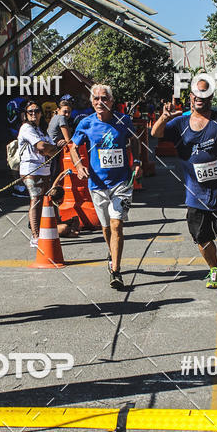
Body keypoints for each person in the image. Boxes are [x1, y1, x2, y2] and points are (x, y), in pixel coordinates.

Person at [151, 80, 217, 289]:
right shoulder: (180, 124)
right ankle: (214, 270)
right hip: (195, 193)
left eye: (204, 93)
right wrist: (164, 117)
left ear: (210, 96)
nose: (199, 97)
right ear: (190, 97)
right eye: (196, 93)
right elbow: (155, 134)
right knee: (201, 236)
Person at [70, 84, 142, 290]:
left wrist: (136, 161)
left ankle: (116, 271)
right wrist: (79, 165)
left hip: (122, 183)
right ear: (91, 102)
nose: (99, 102)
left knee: (117, 224)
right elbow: (73, 147)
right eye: (96, 99)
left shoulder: (123, 120)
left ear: (111, 101)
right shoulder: (86, 123)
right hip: (98, 184)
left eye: (104, 98)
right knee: (105, 227)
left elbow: (134, 139)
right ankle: (112, 250)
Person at [18, 101, 65, 247]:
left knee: (43, 201)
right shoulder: (26, 128)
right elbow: (42, 146)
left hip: (44, 169)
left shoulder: (41, 129)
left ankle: (41, 231)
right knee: (35, 200)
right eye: (30, 112)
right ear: (25, 115)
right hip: (31, 169)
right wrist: (50, 149)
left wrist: (50, 149)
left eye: (36, 111)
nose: (33, 114)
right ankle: (35, 236)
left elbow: (52, 149)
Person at [47, 96, 73, 183]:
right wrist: (66, 140)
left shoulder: (54, 117)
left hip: (49, 149)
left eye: (69, 112)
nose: (67, 114)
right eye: (65, 111)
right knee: (54, 174)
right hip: (54, 150)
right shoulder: (61, 118)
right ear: (58, 110)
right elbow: (68, 139)